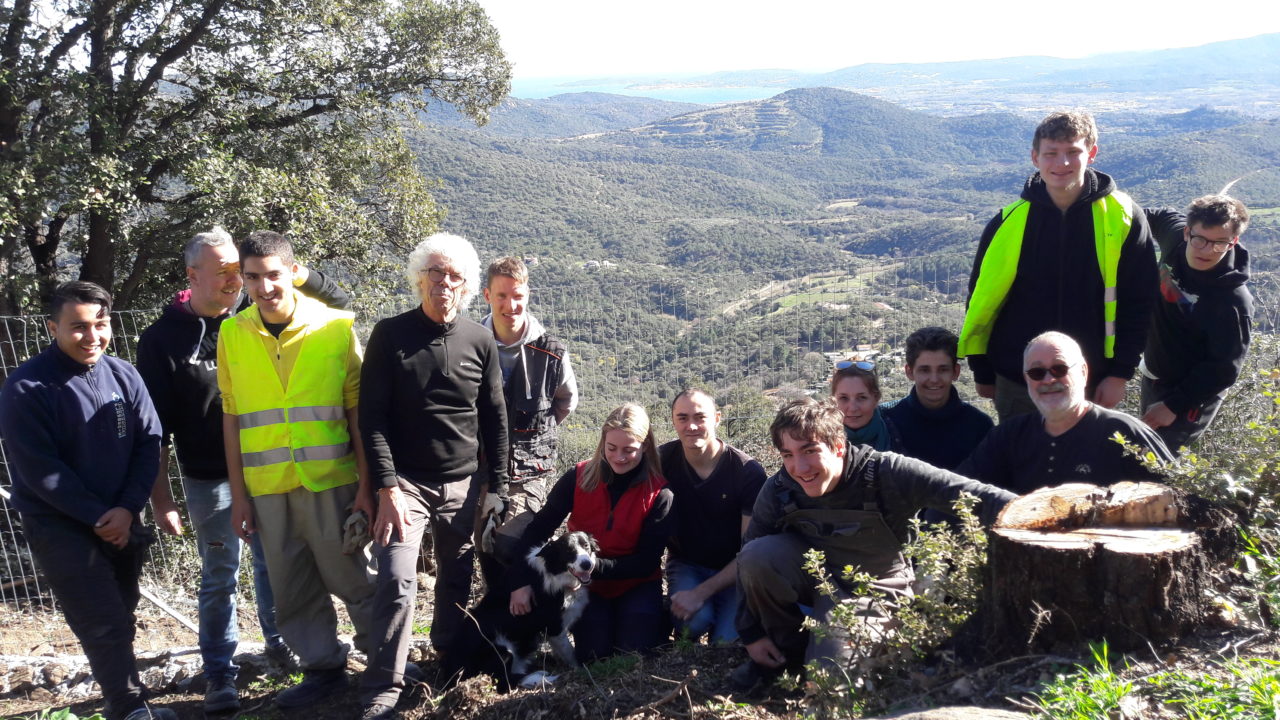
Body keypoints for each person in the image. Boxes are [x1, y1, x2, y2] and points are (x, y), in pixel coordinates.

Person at [137, 226, 348, 712]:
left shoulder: (257, 318)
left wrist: (295, 271)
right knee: (219, 575)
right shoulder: (162, 340)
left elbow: (337, 303)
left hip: (268, 471)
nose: (237, 281)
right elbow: (155, 428)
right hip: (208, 477)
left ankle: (284, 650)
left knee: (276, 566)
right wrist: (161, 497)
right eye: (225, 272)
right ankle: (220, 675)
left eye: (242, 271)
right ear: (192, 276)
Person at [731, 397, 1015, 692]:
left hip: (875, 590)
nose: (799, 467)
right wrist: (751, 634)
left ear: (838, 446)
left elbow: (971, 493)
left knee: (829, 682)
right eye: (787, 455)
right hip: (816, 580)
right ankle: (786, 654)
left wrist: (1042, 511)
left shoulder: (885, 472)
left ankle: (829, 656)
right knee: (757, 555)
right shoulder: (779, 488)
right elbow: (747, 560)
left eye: (810, 450)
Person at [0, 282, 176, 720]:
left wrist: (125, 508)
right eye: (78, 326)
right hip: (60, 525)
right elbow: (40, 470)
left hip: (122, 518)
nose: (92, 335)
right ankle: (131, 709)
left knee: (122, 613)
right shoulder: (25, 387)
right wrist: (98, 516)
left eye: (100, 324)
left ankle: (126, 705)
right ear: (52, 327)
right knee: (102, 622)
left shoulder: (123, 374)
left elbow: (149, 440)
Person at [217, 231, 375, 709]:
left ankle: (385, 663)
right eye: (252, 277)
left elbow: (357, 414)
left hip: (333, 482)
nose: (264, 287)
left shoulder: (334, 326)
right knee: (292, 588)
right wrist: (239, 497)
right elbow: (232, 416)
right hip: (267, 490)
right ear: (242, 279)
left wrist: (367, 489)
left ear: (293, 271)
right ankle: (323, 670)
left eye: (273, 275)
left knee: (355, 579)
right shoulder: (232, 333)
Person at [357, 233, 510, 719]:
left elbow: (495, 417)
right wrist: (385, 487)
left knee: (456, 576)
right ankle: (383, 687)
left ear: (467, 287)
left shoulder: (480, 340)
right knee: (399, 578)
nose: (444, 283)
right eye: (435, 273)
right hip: (404, 482)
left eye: (455, 276)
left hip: (464, 485)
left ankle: (448, 660)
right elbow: (372, 418)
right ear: (419, 277)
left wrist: (497, 488)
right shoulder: (390, 335)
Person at [958, 110, 1158, 421]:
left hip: (1092, 379)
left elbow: (1140, 300)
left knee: (1084, 467)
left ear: (1091, 153)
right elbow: (981, 299)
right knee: (1021, 466)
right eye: (1051, 154)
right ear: (1035, 157)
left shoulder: (1123, 217)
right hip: (1019, 379)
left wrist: (1120, 373)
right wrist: (982, 369)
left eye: (1073, 152)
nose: (1061, 163)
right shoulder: (1008, 221)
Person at [508, 403, 674, 664]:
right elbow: (538, 529)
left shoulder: (659, 493)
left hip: (636, 583)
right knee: (594, 656)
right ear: (602, 443)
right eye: (612, 448)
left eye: (629, 450)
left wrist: (593, 567)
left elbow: (646, 562)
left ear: (645, 446)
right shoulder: (579, 477)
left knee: (633, 654)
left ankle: (657, 620)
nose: (619, 457)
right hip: (587, 587)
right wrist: (519, 581)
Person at [957, 331, 1173, 494]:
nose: (1049, 380)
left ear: (1083, 372)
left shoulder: (1126, 433)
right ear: (1026, 379)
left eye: (1059, 368)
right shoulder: (1009, 436)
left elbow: (1178, 497)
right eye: (1037, 372)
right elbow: (961, 492)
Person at [475, 255, 578, 584]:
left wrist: (533, 439)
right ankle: (491, 624)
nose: (510, 305)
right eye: (502, 296)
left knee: (512, 546)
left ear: (527, 295)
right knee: (477, 547)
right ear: (487, 296)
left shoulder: (551, 351)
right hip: (475, 467)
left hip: (528, 470)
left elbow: (565, 402)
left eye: (517, 296)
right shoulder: (467, 345)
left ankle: (531, 618)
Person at [1139, 195, 1252, 452]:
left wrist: (1173, 405)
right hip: (1154, 374)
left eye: (1220, 243)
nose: (1207, 250)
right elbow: (1153, 214)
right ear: (1187, 232)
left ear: (1233, 242)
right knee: (1137, 451)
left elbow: (1224, 368)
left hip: (1190, 394)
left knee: (1153, 463)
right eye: (1200, 239)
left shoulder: (1233, 301)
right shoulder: (1174, 238)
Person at [659, 389, 767, 643]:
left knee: (725, 642)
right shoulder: (661, 460)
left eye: (700, 417)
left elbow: (749, 552)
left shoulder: (746, 471)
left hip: (736, 570)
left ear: (717, 418)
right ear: (673, 421)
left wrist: (700, 593)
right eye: (682, 418)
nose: (691, 426)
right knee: (693, 624)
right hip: (686, 562)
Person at [882, 327, 993, 471]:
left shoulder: (980, 426)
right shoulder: (886, 420)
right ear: (909, 372)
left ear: (956, 372)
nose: (934, 379)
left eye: (943, 369)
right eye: (925, 370)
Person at [830, 358, 898, 451]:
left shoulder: (899, 430)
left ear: (876, 398)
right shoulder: (818, 439)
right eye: (844, 398)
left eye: (862, 398)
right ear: (832, 400)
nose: (853, 408)